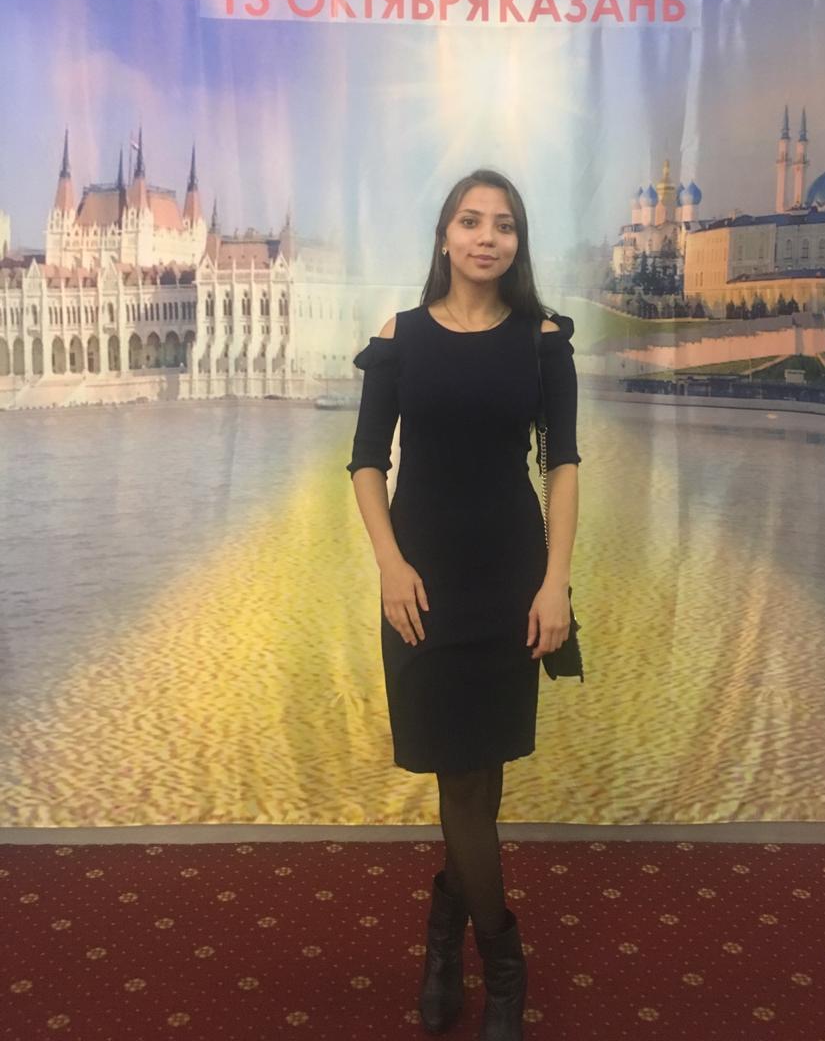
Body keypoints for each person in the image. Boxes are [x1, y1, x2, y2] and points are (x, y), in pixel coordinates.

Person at [346, 168, 582, 1040]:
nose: (488, 237)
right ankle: (499, 959)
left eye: (504, 224)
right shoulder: (399, 336)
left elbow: (562, 465)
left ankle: (457, 950)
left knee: (478, 787)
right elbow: (367, 461)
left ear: (518, 242)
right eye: (472, 221)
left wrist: (555, 583)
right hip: (422, 585)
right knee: (463, 784)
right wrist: (389, 565)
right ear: (445, 235)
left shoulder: (542, 341)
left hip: (512, 582)